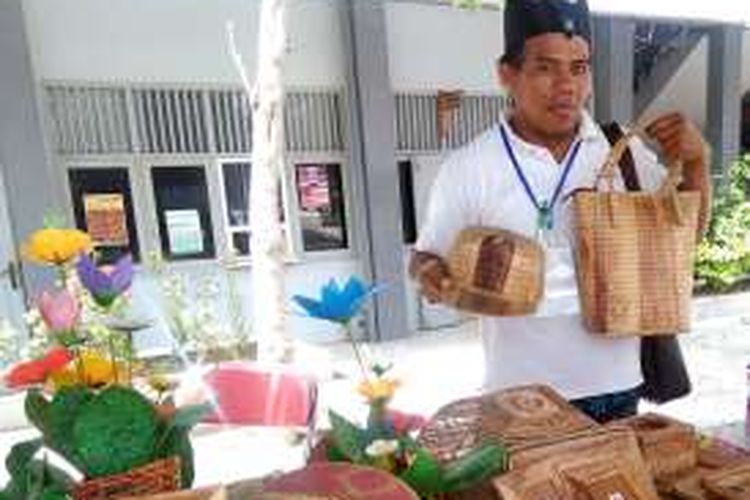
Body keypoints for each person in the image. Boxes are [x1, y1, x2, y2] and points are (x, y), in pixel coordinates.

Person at [409, 0, 712, 423]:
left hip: (619, 387)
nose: (566, 85)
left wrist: (698, 163)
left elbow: (685, 241)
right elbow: (425, 259)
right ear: (507, 74)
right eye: (546, 68)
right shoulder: (469, 167)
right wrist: (436, 279)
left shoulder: (621, 151)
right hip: (520, 397)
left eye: (579, 67)